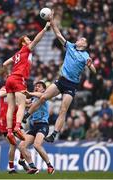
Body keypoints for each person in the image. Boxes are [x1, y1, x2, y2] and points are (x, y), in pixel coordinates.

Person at [23, 12, 96, 143]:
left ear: (84, 45)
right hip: (61, 80)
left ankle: (54, 134)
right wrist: (51, 21)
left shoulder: (85, 56)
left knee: (63, 109)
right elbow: (58, 34)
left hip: (71, 85)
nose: (79, 39)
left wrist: (91, 66)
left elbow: (94, 71)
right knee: (43, 96)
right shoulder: (70, 46)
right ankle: (27, 116)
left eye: (82, 39)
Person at [3, 22, 50, 145]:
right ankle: (17, 127)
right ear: (23, 43)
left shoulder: (16, 54)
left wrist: (8, 74)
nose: (30, 41)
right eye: (27, 39)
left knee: (11, 107)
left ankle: (9, 132)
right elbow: (37, 40)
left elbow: (4, 64)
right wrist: (45, 28)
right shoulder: (26, 49)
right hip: (18, 78)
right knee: (21, 106)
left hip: (10, 79)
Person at [19, 81, 55, 174]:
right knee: (22, 146)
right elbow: (26, 103)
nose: (36, 87)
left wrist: (30, 94)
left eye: (39, 86)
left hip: (43, 125)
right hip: (34, 127)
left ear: (43, 89)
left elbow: (39, 95)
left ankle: (50, 166)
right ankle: (33, 167)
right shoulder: (33, 100)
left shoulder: (44, 96)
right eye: (35, 86)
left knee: (37, 145)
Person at [0, 86, 29, 174]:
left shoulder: (18, 92)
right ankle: (11, 168)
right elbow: (1, 94)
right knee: (13, 144)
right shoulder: (4, 88)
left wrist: (29, 102)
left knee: (25, 139)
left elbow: (23, 103)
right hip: (4, 121)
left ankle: (21, 160)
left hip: (15, 120)